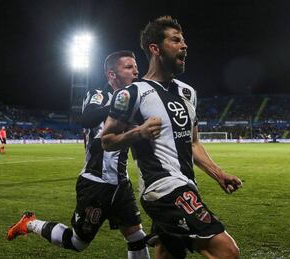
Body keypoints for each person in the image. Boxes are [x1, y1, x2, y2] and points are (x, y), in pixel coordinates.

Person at [102, 16, 242, 259]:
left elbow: (193, 142)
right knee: (227, 252)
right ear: (155, 49)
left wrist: (219, 174)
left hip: (186, 184)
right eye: (175, 40)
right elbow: (107, 139)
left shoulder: (188, 92)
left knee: (170, 253)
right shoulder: (132, 93)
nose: (184, 45)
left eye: (184, 40)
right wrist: (139, 132)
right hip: (162, 189)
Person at [7, 50, 150, 259]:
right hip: (95, 183)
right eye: (129, 67)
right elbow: (87, 118)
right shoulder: (99, 94)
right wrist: (120, 105)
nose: (136, 72)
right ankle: (30, 223)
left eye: (136, 68)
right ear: (112, 75)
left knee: (136, 235)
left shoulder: (132, 101)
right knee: (77, 242)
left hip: (121, 183)